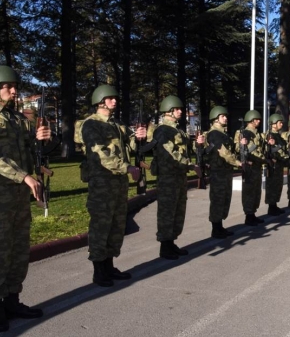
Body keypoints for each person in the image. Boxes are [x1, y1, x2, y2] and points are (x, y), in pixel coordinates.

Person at [0, 65, 51, 332]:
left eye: (15, 86)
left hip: (19, 194)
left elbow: (36, 146)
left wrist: (45, 138)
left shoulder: (16, 119)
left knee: (18, 249)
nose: (14, 91)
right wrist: (23, 176)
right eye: (8, 87)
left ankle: (13, 300)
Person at [80, 84, 147, 287]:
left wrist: (140, 137)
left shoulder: (117, 125)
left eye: (115, 98)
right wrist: (126, 167)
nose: (115, 101)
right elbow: (101, 154)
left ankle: (109, 265)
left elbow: (134, 145)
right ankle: (99, 270)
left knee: (116, 225)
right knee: (101, 225)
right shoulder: (91, 125)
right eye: (110, 98)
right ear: (100, 101)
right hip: (102, 182)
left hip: (118, 183)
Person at [152, 95, 204, 260]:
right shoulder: (162, 130)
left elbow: (183, 151)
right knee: (167, 212)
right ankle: (165, 246)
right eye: (177, 109)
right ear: (169, 111)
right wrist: (190, 165)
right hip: (168, 177)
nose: (180, 111)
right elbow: (170, 153)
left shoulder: (178, 130)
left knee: (178, 211)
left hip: (179, 177)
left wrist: (198, 144)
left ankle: (171, 242)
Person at [199, 106, 244, 239]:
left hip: (225, 171)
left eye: (226, 116)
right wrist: (237, 163)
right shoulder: (214, 134)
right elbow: (223, 152)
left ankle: (219, 226)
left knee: (225, 199)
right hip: (218, 172)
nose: (226, 118)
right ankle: (216, 228)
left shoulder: (224, 134)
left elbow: (232, 150)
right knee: (218, 199)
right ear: (216, 119)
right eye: (223, 116)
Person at [234, 110, 266, 225]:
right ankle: (248, 215)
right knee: (249, 191)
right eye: (257, 119)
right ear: (251, 120)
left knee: (256, 191)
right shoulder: (242, 133)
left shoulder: (257, 133)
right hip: (249, 166)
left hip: (257, 166)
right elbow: (238, 148)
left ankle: (252, 213)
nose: (259, 121)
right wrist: (242, 144)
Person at [265, 114, 288, 214]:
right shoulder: (270, 135)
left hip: (279, 164)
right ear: (273, 124)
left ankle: (274, 205)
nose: (281, 124)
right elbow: (268, 150)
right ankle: (271, 207)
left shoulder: (278, 135)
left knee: (278, 185)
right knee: (272, 186)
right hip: (273, 164)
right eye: (279, 122)